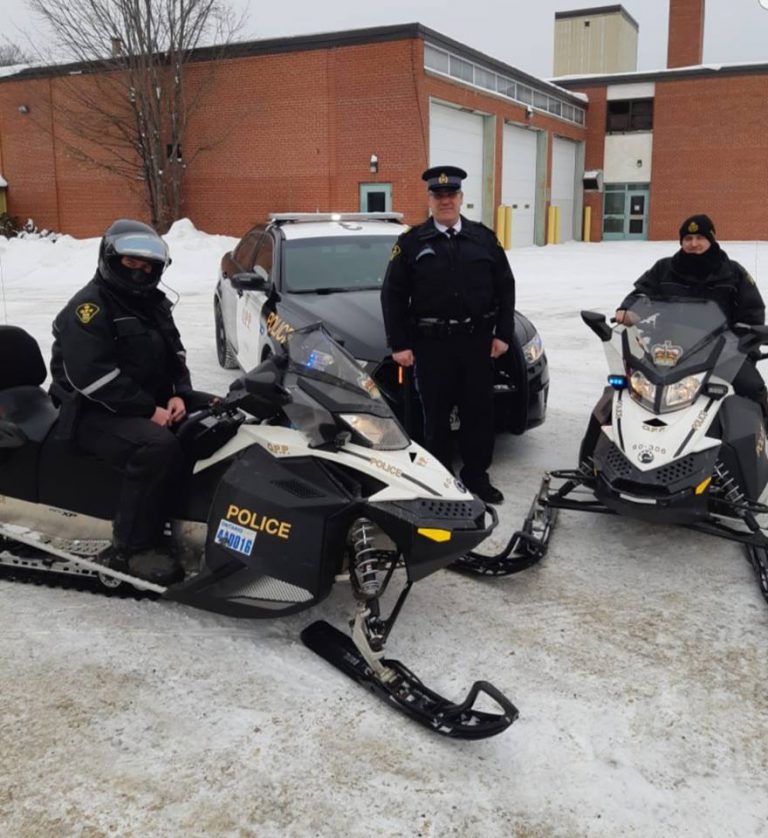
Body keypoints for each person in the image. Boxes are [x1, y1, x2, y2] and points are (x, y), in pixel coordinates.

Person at [50, 219, 193, 585]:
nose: (140, 272)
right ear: (112, 259)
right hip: (90, 412)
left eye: (148, 266)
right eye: (132, 263)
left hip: (144, 402)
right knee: (156, 445)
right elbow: (93, 377)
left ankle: (193, 515)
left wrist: (178, 392)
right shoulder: (89, 308)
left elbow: (174, 353)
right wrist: (150, 410)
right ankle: (132, 547)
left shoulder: (152, 304)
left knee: (219, 416)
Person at [380, 165, 515, 504]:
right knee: (435, 417)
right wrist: (400, 344)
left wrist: (503, 334)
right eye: (438, 196)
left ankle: (476, 477)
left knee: (479, 414)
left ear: (461, 198)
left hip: (476, 343)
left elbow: (505, 286)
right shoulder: (411, 242)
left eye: (451, 195)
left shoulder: (483, 238)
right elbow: (392, 294)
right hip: (432, 346)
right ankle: (439, 479)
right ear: (430, 200)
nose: (445, 201)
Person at [616, 213, 767, 413]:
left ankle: (758, 433)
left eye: (700, 238)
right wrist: (628, 310)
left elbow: (752, 311)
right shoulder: (665, 268)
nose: (693, 244)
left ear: (711, 240)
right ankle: (609, 439)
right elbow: (643, 293)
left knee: (752, 388)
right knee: (626, 388)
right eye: (688, 239)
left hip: (722, 351)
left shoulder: (732, 271)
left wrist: (745, 339)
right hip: (668, 349)